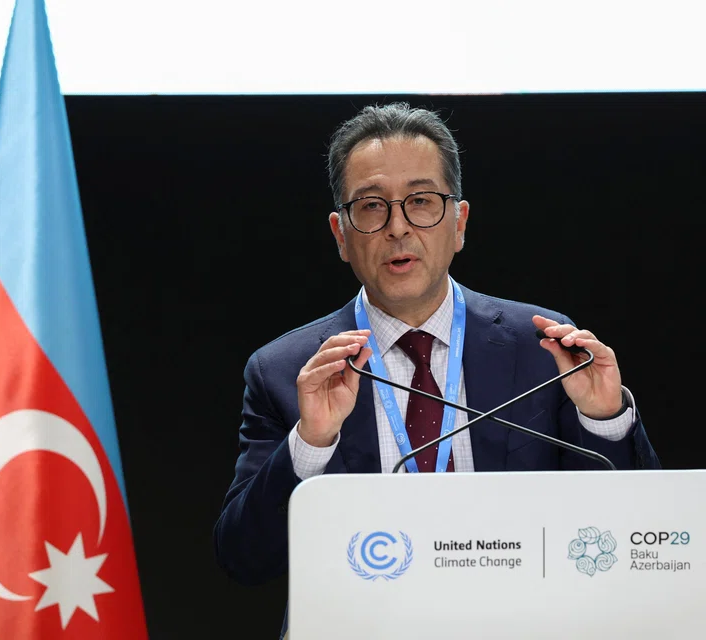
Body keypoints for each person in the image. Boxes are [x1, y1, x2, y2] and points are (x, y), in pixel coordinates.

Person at [212, 102, 659, 639]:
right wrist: (311, 442)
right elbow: (244, 559)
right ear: (340, 234)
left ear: (459, 223)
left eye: (421, 202)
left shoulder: (541, 347)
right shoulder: (287, 371)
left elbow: (634, 538)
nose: (398, 227)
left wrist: (605, 418)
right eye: (372, 207)